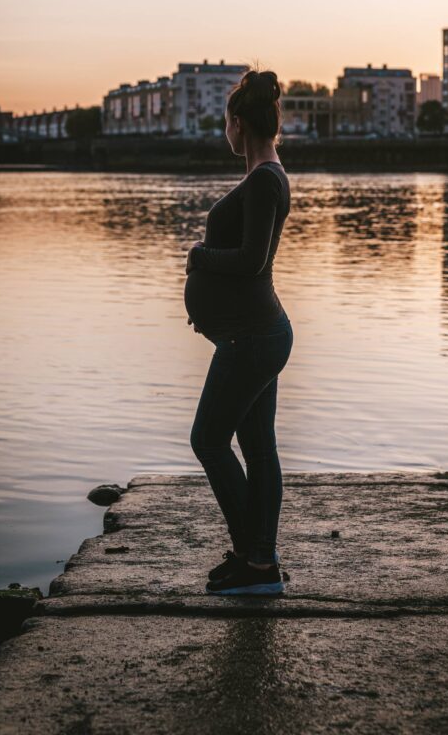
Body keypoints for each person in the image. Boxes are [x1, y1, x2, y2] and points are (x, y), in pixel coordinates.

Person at [184, 68, 293, 596]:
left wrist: (200, 258)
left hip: (254, 338)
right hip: (253, 333)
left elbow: (252, 261)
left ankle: (256, 558)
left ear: (237, 124)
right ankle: (258, 562)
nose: (223, 132)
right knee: (257, 447)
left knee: (207, 439)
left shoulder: (265, 180)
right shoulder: (265, 176)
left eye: (224, 122)